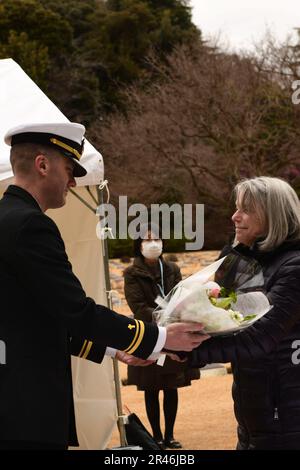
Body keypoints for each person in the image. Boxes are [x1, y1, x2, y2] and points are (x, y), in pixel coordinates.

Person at [0, 122, 208, 450]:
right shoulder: (30, 224)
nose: (72, 181)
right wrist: (161, 338)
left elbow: (39, 321)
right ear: (42, 165)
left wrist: (116, 349)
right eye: (69, 169)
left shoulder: (7, 217)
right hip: (24, 409)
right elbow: (75, 311)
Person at [177, 176, 300, 450]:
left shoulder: (294, 266)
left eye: (245, 209)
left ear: (273, 214)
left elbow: (260, 337)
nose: (234, 216)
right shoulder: (252, 260)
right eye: (236, 207)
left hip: (286, 418)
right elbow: (216, 295)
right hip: (254, 412)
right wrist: (237, 248)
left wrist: (186, 351)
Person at [124, 224, 200, 449]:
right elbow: (137, 306)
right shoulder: (131, 273)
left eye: (156, 238)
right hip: (148, 334)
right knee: (151, 387)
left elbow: (180, 295)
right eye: (147, 240)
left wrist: (175, 315)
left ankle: (169, 435)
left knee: (171, 386)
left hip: (172, 334)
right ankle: (155, 435)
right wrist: (163, 316)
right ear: (139, 245)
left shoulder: (172, 268)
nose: (153, 243)